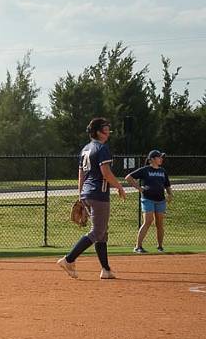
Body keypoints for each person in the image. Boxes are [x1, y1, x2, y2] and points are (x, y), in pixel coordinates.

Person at [58, 118, 126, 280]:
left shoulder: (85, 149)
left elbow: (81, 174)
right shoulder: (102, 148)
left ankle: (106, 269)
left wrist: (80, 194)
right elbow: (106, 173)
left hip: (87, 193)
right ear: (97, 132)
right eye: (105, 129)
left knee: (102, 233)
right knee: (97, 231)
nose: (108, 131)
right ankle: (69, 259)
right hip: (98, 194)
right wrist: (120, 187)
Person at [126, 150, 172, 254]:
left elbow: (167, 185)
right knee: (148, 221)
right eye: (159, 157)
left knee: (159, 223)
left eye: (161, 157)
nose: (161, 159)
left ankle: (160, 247)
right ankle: (138, 247)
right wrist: (139, 189)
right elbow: (128, 177)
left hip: (160, 200)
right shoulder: (145, 170)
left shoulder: (162, 171)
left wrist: (170, 194)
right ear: (152, 159)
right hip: (148, 199)